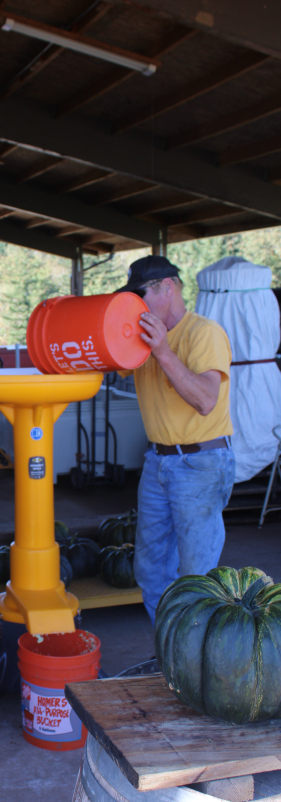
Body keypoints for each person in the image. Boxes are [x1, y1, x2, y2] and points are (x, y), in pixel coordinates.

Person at [118, 255, 235, 624]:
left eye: (141, 294)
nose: (135, 303)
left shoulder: (204, 332)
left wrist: (163, 352)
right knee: (151, 572)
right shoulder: (141, 337)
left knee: (195, 576)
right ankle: (168, 654)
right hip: (158, 463)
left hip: (201, 463)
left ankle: (197, 662)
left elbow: (205, 400)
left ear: (167, 288)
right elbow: (104, 357)